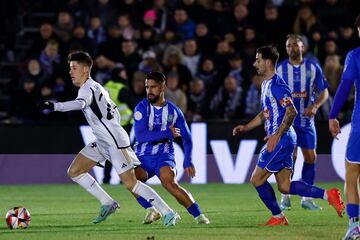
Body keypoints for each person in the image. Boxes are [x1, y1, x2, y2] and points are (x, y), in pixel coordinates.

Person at [39, 51, 180, 227]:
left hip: (114, 142)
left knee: (132, 184)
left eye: (74, 68)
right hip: (104, 140)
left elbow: (80, 103)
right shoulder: (98, 87)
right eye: (70, 68)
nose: (70, 72)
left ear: (85, 69)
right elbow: (115, 112)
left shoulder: (87, 89)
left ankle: (169, 213)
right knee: (75, 171)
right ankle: (108, 203)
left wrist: (56, 106)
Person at [233, 45, 344, 226]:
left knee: (256, 179)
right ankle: (328, 194)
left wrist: (277, 135)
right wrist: (247, 127)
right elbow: (265, 113)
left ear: (268, 62)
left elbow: (291, 112)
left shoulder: (277, 85)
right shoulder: (265, 84)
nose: (255, 64)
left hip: (282, 139)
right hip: (283, 139)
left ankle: (278, 216)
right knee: (284, 186)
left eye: (258, 60)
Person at [132, 71, 210, 225]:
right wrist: (167, 132)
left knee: (170, 184)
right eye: (147, 87)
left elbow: (187, 138)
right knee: (131, 181)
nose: (149, 91)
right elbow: (141, 136)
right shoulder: (141, 108)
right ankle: (152, 210)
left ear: (163, 87)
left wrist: (188, 160)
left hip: (164, 154)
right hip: (143, 156)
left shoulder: (174, 112)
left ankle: (199, 216)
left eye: (153, 87)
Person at [277, 34, 329, 211]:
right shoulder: (280, 69)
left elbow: (324, 92)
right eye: (289, 45)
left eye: (295, 45)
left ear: (302, 47)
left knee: (310, 157)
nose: (292, 48)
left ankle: (307, 197)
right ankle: (285, 196)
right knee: (290, 157)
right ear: (286, 49)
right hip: (287, 121)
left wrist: (315, 105)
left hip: (306, 121)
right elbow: (274, 93)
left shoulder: (313, 67)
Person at [328, 15, 360, 240]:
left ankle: (354, 226)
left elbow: (345, 86)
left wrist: (332, 115)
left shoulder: (355, 56)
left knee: (352, 172)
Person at [102, 66, 136, 184]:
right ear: (119, 75)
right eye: (123, 73)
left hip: (108, 125)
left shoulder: (105, 86)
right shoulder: (122, 89)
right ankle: (125, 179)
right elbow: (133, 106)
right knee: (125, 151)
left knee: (110, 150)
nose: (125, 75)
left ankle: (106, 178)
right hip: (123, 124)